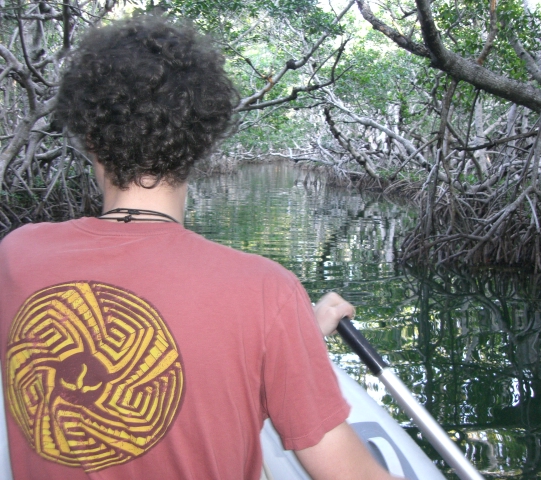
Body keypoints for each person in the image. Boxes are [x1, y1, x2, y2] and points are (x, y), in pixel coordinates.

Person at [0, 15, 397, 480]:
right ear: (201, 143)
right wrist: (284, 329)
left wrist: (295, 333)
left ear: (88, 138)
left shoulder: (17, 256)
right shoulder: (264, 291)